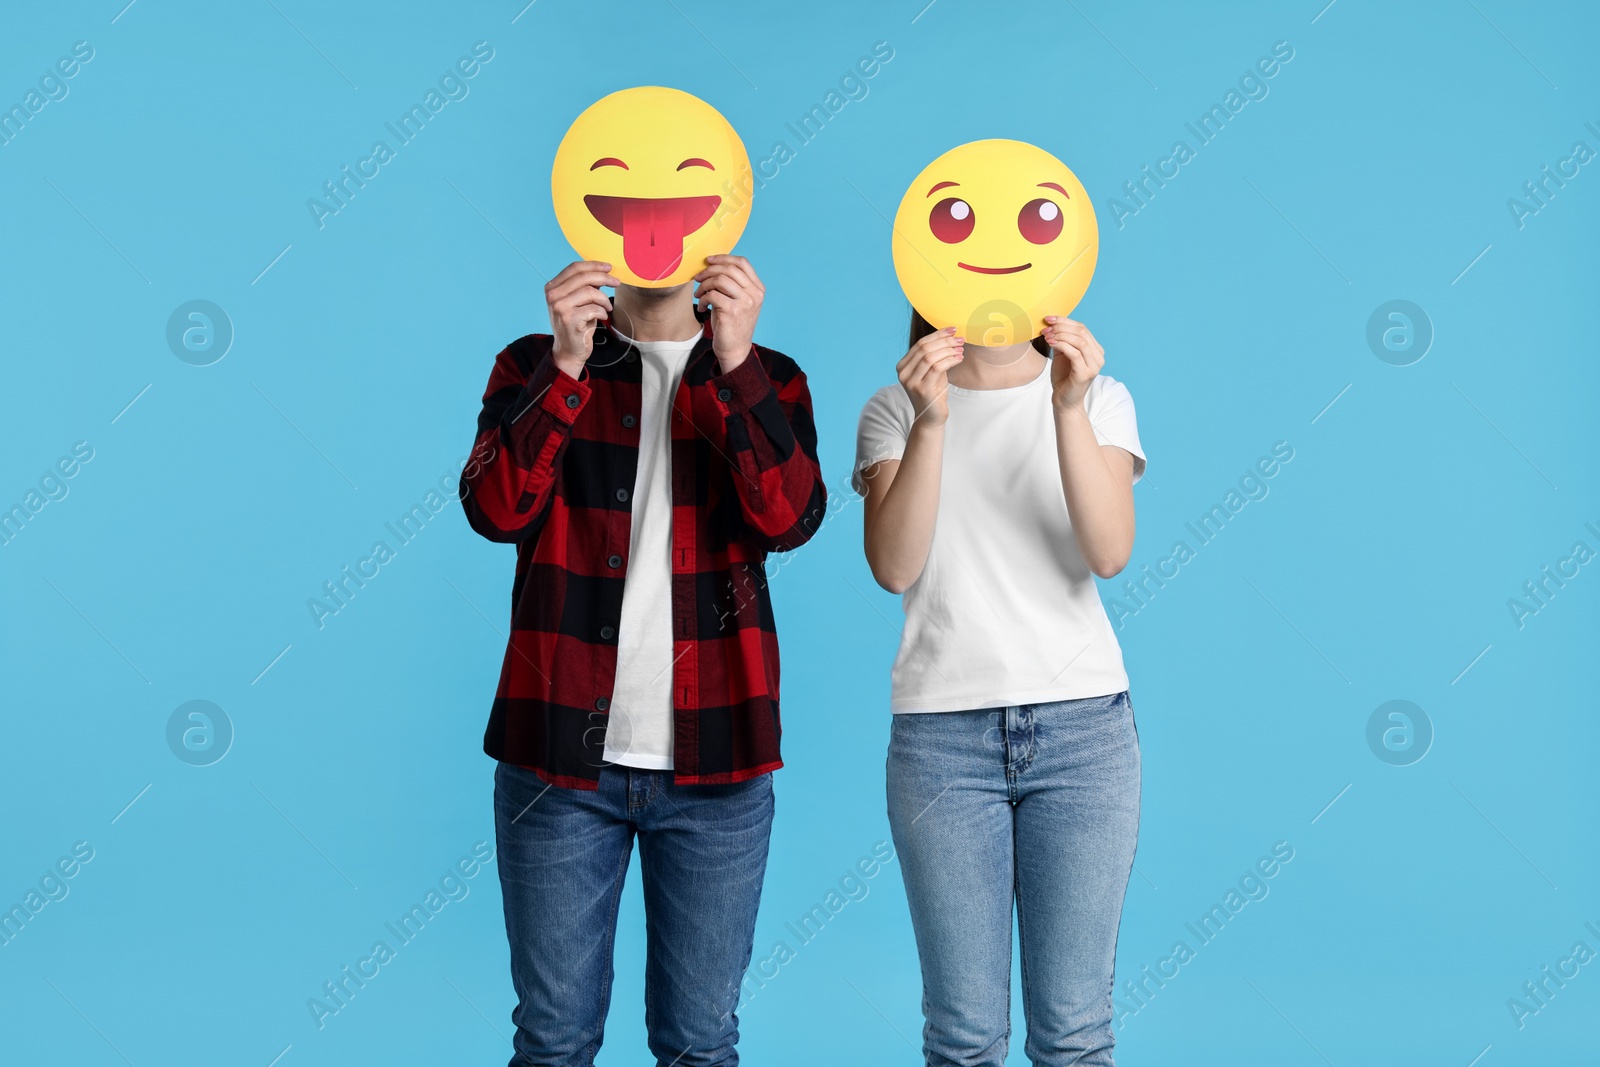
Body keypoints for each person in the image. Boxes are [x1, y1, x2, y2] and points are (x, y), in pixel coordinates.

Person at [460, 254, 825, 1067]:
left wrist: (735, 363)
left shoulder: (773, 376)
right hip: (556, 763)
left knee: (701, 1043)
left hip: (718, 773)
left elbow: (792, 517)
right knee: (552, 1041)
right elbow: (495, 507)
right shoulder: (531, 361)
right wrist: (563, 364)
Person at [855, 310, 1145, 1066]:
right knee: (963, 1037)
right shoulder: (894, 407)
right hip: (940, 743)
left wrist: (1067, 406)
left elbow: (1109, 550)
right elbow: (893, 567)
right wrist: (930, 422)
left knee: (1076, 1034)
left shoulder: (1100, 397)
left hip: (1084, 734)